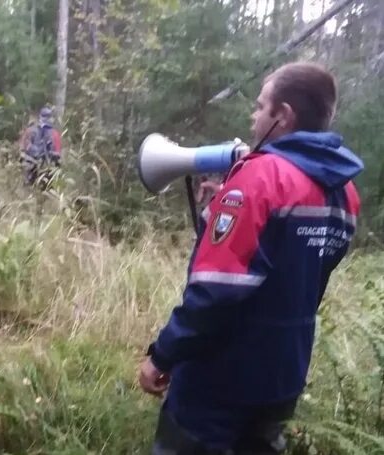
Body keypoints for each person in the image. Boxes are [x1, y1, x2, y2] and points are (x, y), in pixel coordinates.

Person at [138, 61, 364, 454]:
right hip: (283, 375)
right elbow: (295, 276)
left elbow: (215, 290)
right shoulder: (345, 195)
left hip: (220, 378)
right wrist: (220, 209)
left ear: (284, 115)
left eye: (261, 106)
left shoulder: (260, 178)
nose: (253, 115)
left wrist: (163, 355)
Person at [19, 106, 62, 187]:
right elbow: (58, 155)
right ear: (51, 118)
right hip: (47, 168)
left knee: (28, 189)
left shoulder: (29, 131)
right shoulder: (54, 134)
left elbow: (22, 149)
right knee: (47, 189)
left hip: (30, 166)